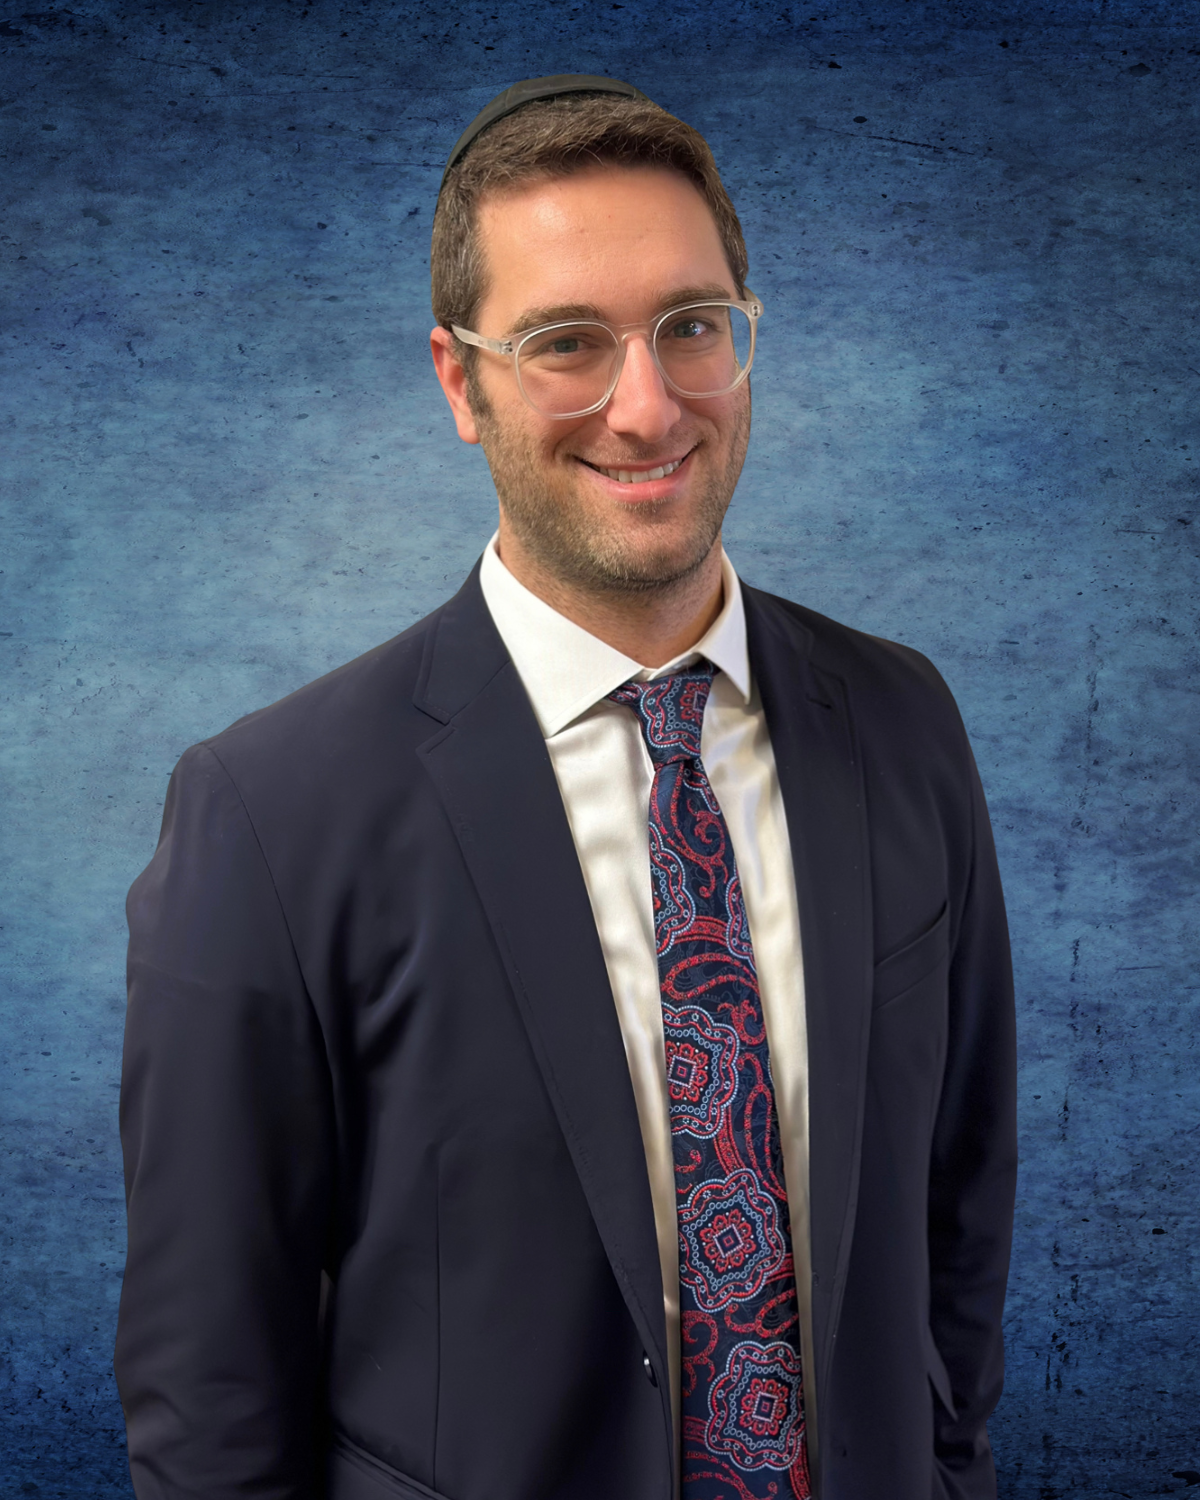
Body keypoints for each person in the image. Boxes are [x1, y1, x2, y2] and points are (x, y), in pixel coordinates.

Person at [116, 75, 1017, 1500]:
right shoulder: (272, 812)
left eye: (691, 328)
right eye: (564, 344)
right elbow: (209, 1387)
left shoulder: (902, 723)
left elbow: (957, 1225)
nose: (646, 405)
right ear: (458, 382)